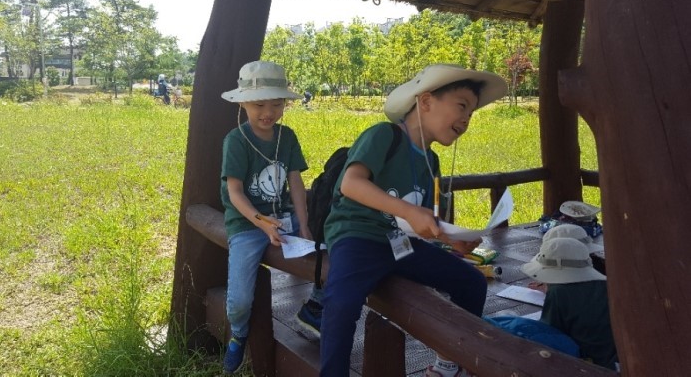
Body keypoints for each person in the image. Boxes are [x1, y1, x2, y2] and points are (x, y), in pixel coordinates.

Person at [320, 64, 508, 377]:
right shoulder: (384, 135)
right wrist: (408, 211)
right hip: (359, 236)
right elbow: (350, 184)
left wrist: (452, 239)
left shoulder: (431, 160)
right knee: (341, 304)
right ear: (426, 101)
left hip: (401, 244)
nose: (466, 119)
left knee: (472, 283)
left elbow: (423, 220)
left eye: (472, 112)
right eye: (461, 106)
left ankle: (449, 364)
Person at [219, 60, 312, 374]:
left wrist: (305, 225)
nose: (268, 112)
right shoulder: (236, 141)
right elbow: (235, 192)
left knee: (328, 251)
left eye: (277, 104)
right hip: (247, 222)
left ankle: (317, 308)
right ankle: (239, 333)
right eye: (259, 105)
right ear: (243, 103)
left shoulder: (288, 137)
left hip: (282, 216)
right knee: (239, 300)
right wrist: (260, 222)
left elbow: (296, 183)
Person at [520, 236, 618, 370]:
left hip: (587, 364)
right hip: (614, 359)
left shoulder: (558, 292)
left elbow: (548, 334)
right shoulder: (604, 284)